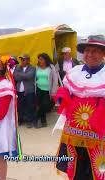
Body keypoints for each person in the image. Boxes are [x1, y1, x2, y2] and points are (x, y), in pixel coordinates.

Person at [55, 35, 105, 180]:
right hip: (74, 132)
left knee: (96, 169)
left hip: (98, 134)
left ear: (103, 54)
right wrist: (61, 96)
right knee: (76, 168)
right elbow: (66, 89)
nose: (90, 54)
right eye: (88, 50)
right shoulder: (75, 72)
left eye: (95, 51)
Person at [35, 53, 58, 128]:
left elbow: (55, 79)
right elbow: (35, 78)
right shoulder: (37, 67)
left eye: (41, 59)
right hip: (38, 89)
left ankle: (36, 117)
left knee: (46, 106)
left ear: (45, 60)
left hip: (47, 90)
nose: (39, 60)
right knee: (40, 105)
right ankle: (43, 121)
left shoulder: (51, 67)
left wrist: (54, 91)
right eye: (39, 59)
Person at [13, 54, 36, 128]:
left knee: (30, 106)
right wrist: (24, 76)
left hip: (29, 90)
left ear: (28, 60)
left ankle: (30, 121)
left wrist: (20, 75)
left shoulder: (32, 68)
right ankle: (21, 120)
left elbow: (29, 76)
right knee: (20, 106)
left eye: (24, 59)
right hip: (19, 90)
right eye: (21, 59)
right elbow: (15, 77)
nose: (22, 61)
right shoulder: (18, 67)